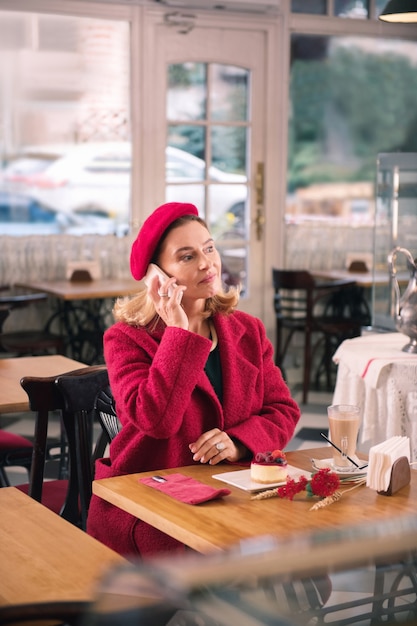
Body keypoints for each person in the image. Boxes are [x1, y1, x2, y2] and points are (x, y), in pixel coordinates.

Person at [87, 201, 300, 558]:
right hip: (155, 505)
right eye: (187, 256)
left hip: (236, 495)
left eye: (209, 248)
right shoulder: (126, 338)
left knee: (302, 563)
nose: (207, 263)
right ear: (157, 276)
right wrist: (178, 334)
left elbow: (283, 410)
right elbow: (155, 420)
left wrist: (239, 441)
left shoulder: (248, 330)